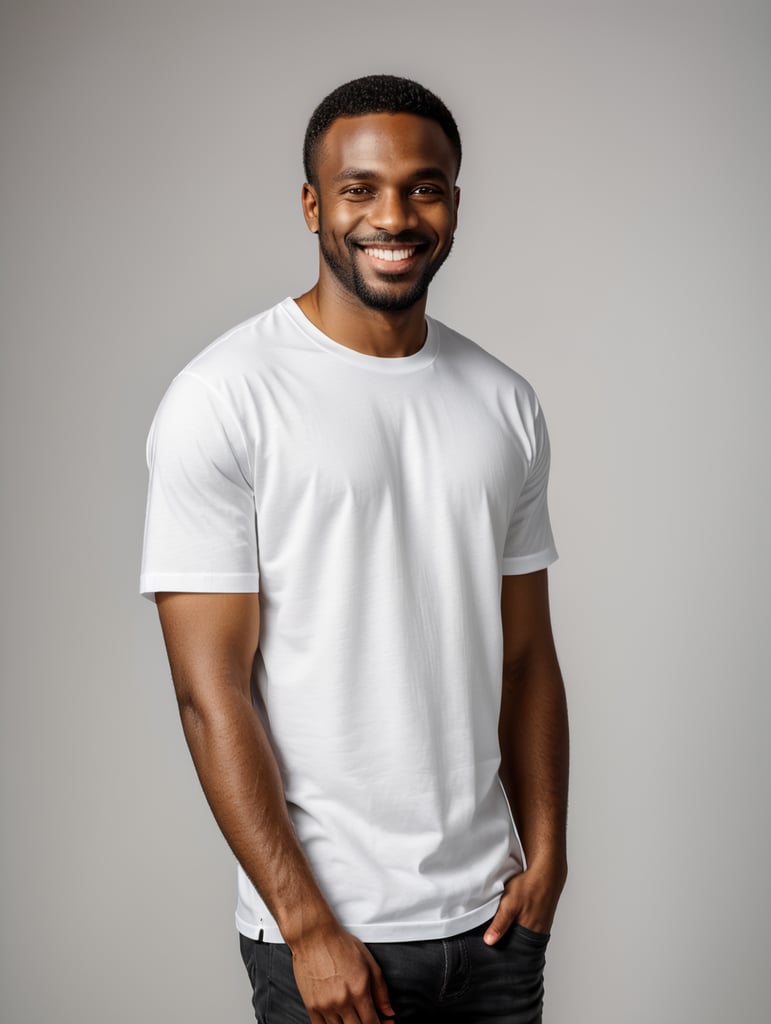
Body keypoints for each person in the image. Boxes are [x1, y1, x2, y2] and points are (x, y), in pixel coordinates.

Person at [141, 74, 569, 1024]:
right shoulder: (223, 398)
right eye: (359, 189)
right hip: (332, 936)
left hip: (494, 925)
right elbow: (209, 692)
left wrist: (547, 857)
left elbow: (527, 656)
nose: (393, 216)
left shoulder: (504, 401)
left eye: (424, 188)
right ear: (312, 206)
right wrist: (305, 927)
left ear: (453, 203)